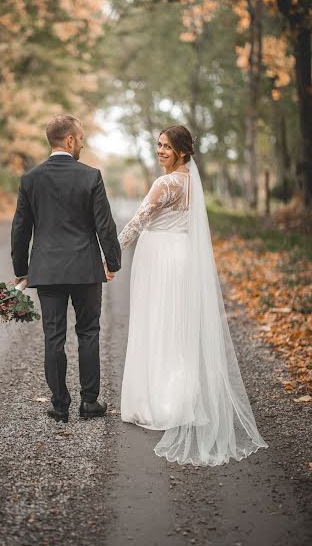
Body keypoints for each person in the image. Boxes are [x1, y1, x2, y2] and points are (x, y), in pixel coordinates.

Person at [116, 125, 268, 466]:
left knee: (157, 323)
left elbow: (137, 222)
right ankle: (182, 398)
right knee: (176, 326)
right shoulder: (192, 184)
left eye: (167, 147)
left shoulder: (164, 183)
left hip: (159, 258)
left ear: (183, 151)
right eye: (158, 145)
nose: (160, 151)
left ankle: (159, 402)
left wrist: (107, 258)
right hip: (181, 255)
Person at [11, 115, 121, 423]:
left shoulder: (30, 179)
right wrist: (112, 262)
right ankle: (89, 403)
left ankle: (59, 405)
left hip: (47, 271)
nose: (83, 143)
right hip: (85, 269)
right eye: (82, 138)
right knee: (88, 332)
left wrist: (22, 269)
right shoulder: (91, 176)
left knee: (53, 336)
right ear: (69, 140)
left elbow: (20, 229)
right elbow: (105, 225)